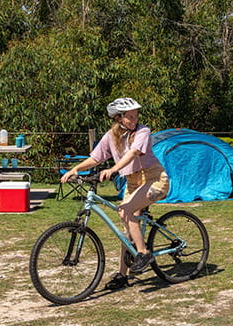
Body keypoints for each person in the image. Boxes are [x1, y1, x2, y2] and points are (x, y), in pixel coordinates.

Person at [60, 97, 170, 289]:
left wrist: (113, 169)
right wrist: (75, 169)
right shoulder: (111, 136)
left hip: (154, 179)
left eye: (135, 116)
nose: (134, 120)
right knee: (127, 232)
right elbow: (95, 157)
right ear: (118, 118)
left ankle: (144, 253)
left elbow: (133, 153)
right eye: (129, 117)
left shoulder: (142, 131)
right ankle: (122, 275)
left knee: (124, 210)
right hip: (132, 182)